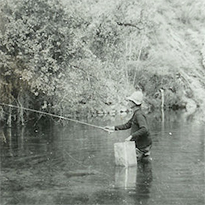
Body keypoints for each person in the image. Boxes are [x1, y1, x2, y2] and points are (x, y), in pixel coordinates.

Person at [105, 91, 152, 160]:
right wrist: (113, 128)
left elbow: (144, 129)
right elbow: (127, 125)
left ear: (134, 103)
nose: (128, 102)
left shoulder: (139, 115)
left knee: (138, 164)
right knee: (142, 164)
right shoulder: (136, 113)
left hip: (142, 146)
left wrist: (131, 136)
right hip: (143, 145)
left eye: (130, 101)